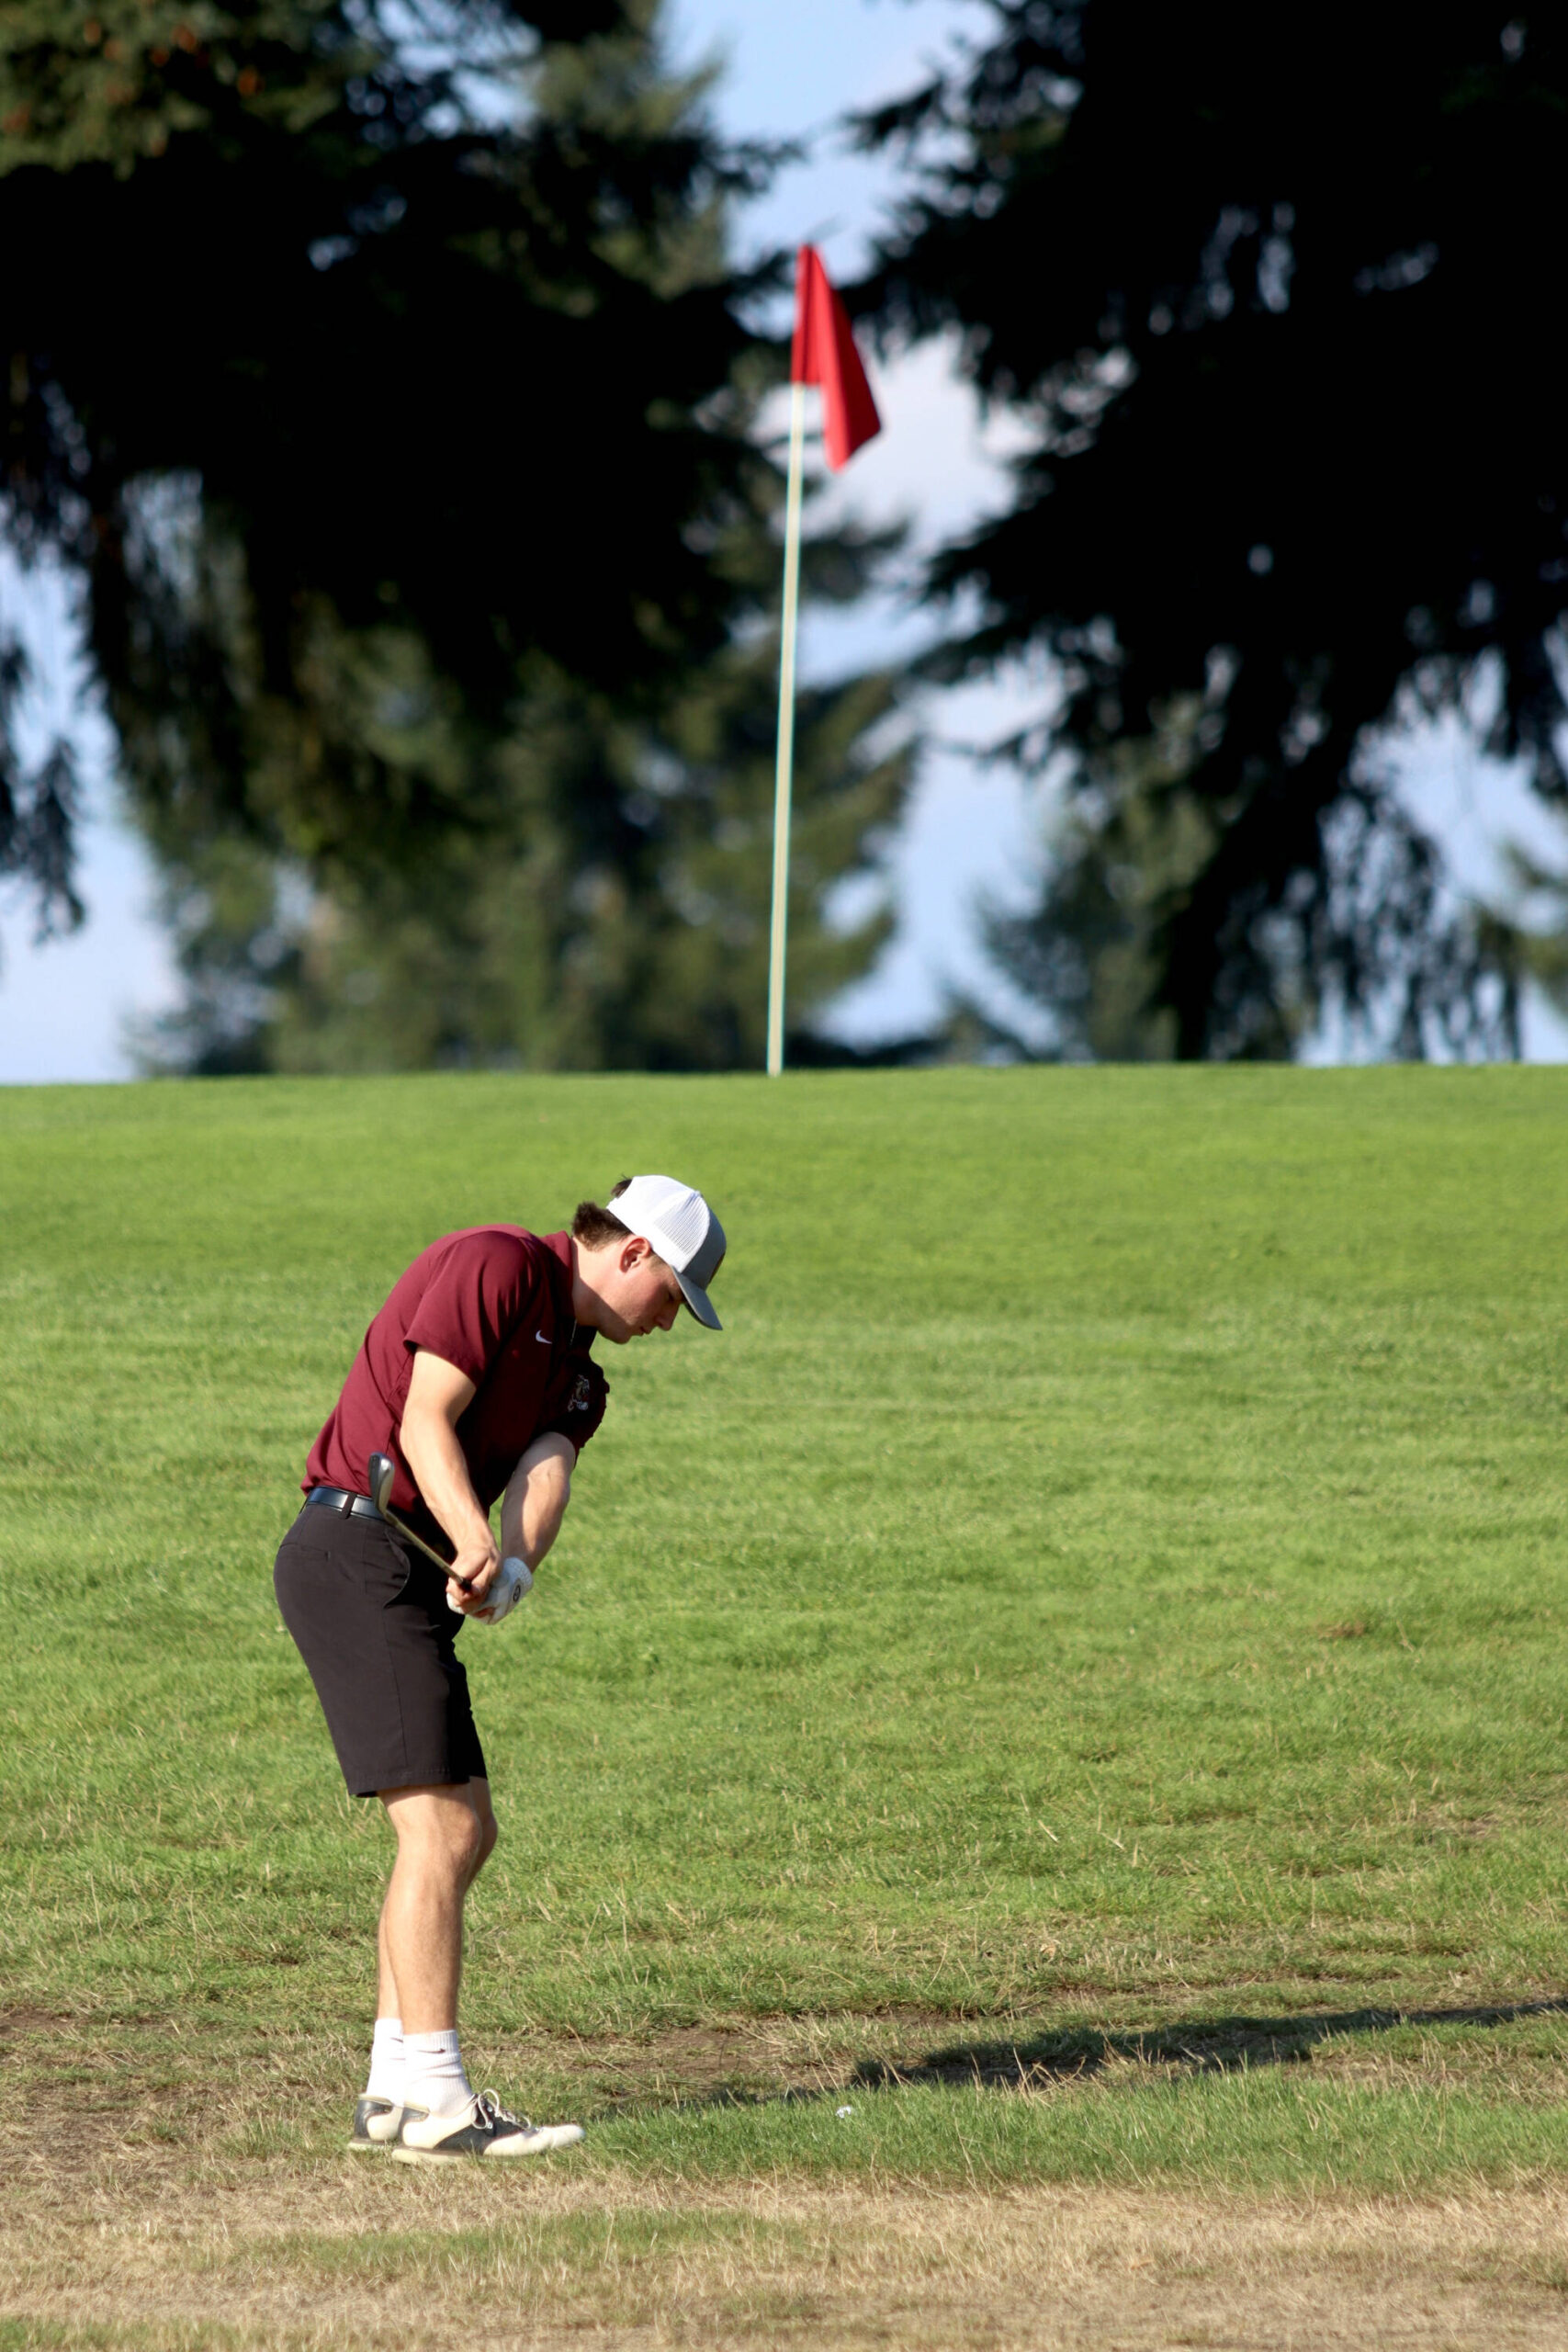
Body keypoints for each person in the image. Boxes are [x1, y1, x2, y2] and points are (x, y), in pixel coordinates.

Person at [273, 1172, 727, 2163]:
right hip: (352, 1552)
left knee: (465, 1829)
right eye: (672, 1298)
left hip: (401, 1574)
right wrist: (470, 1533)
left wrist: (511, 1564)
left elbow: (546, 1467)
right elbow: (423, 1419)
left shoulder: (582, 1373)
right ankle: (433, 2098)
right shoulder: (499, 1263)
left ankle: (394, 2095)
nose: (668, 1323)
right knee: (438, 1828)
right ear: (635, 1251)